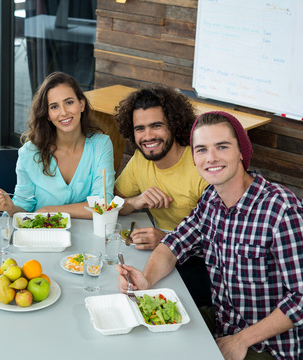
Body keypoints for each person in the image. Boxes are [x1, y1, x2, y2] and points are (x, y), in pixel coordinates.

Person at [116, 111, 303, 360]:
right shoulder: (211, 198)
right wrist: (146, 279)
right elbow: (174, 244)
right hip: (224, 325)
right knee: (141, 338)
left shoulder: (281, 209)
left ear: (241, 152)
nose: (211, 158)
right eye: (201, 149)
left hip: (268, 346)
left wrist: (241, 340)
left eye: (222, 146)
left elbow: (301, 298)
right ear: (194, 157)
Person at [113, 86, 211, 307]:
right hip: (159, 253)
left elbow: (219, 239)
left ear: (174, 125)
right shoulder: (140, 160)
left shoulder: (200, 165)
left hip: (200, 263)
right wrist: (135, 202)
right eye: (140, 128)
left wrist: (167, 238)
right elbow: (113, 204)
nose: (148, 136)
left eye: (156, 126)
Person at [0, 72, 115, 218]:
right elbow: (23, 211)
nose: (64, 112)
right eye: (54, 106)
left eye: (69, 102)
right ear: (47, 114)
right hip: (42, 236)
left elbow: (103, 204)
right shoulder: (29, 153)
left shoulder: (102, 145)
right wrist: (10, 208)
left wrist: (48, 210)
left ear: (81, 104)